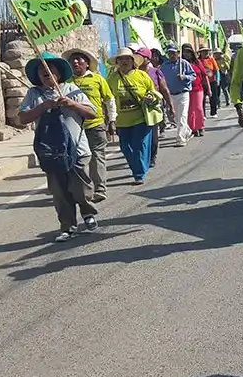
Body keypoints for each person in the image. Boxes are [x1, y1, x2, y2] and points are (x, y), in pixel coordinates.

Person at [18, 53, 99, 242]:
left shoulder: (72, 89)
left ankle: (87, 212)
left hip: (77, 150)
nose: (46, 73)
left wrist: (72, 103)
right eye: (42, 71)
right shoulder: (34, 94)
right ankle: (68, 226)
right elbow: (22, 118)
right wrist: (43, 106)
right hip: (51, 152)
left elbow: (91, 113)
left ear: (58, 74)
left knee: (81, 189)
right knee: (60, 193)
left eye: (50, 70)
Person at [63, 48, 116, 203]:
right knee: (79, 160)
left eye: (79, 59)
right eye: (72, 60)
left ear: (87, 64)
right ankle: (83, 189)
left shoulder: (97, 79)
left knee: (97, 157)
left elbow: (109, 100)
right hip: (74, 128)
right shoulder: (66, 83)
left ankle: (100, 189)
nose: (75, 62)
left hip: (95, 124)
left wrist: (112, 120)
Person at [107, 47, 161, 185]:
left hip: (141, 118)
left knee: (139, 146)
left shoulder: (142, 75)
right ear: (117, 62)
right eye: (121, 59)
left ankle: (138, 173)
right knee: (126, 148)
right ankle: (138, 166)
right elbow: (107, 99)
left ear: (133, 61)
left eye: (127, 59)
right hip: (121, 121)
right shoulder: (112, 79)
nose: (124, 61)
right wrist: (109, 119)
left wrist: (150, 96)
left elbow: (153, 91)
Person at [136, 47, 173, 168]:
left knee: (153, 134)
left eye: (142, 56)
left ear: (148, 59)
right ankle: (142, 156)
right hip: (137, 108)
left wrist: (171, 106)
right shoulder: (132, 73)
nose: (139, 59)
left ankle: (152, 156)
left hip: (153, 107)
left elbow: (164, 89)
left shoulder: (155, 72)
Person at [160, 45, 196, 147]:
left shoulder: (184, 63)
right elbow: (161, 79)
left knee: (182, 117)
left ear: (178, 53)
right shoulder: (164, 65)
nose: (171, 55)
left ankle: (181, 138)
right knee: (175, 117)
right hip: (171, 95)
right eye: (169, 53)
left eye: (173, 53)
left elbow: (193, 76)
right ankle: (187, 131)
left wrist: (184, 77)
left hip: (183, 93)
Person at [199, 46, 221, 118]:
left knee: (213, 97)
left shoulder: (211, 59)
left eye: (206, 51)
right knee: (202, 98)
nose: (205, 53)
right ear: (200, 53)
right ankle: (203, 114)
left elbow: (216, 70)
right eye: (203, 51)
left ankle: (213, 112)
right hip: (202, 82)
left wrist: (217, 80)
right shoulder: (198, 60)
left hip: (212, 81)